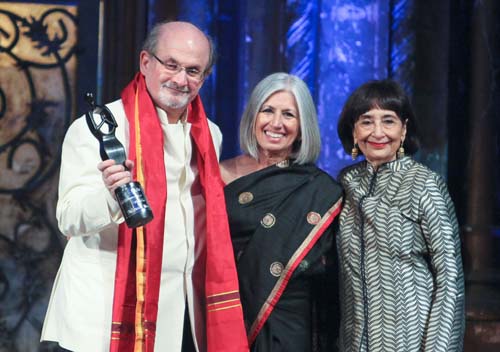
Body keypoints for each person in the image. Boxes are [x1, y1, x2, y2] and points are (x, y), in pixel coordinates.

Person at [41, 21, 248, 352]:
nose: (181, 80)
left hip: (181, 313)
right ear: (145, 62)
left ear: (204, 78)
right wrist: (111, 196)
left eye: (193, 71)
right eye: (171, 65)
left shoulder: (210, 134)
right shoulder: (99, 128)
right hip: (104, 314)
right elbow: (69, 218)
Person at [336, 79, 465, 352]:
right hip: (353, 342)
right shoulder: (346, 183)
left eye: (389, 121)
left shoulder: (425, 185)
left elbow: (449, 279)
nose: (378, 132)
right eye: (366, 121)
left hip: (411, 341)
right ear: (354, 130)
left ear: (404, 129)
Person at [220, 72, 343, 351]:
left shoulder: (321, 191)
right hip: (222, 315)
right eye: (267, 111)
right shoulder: (219, 174)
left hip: (289, 325)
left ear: (303, 126)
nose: (276, 123)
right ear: (253, 116)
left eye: (288, 114)